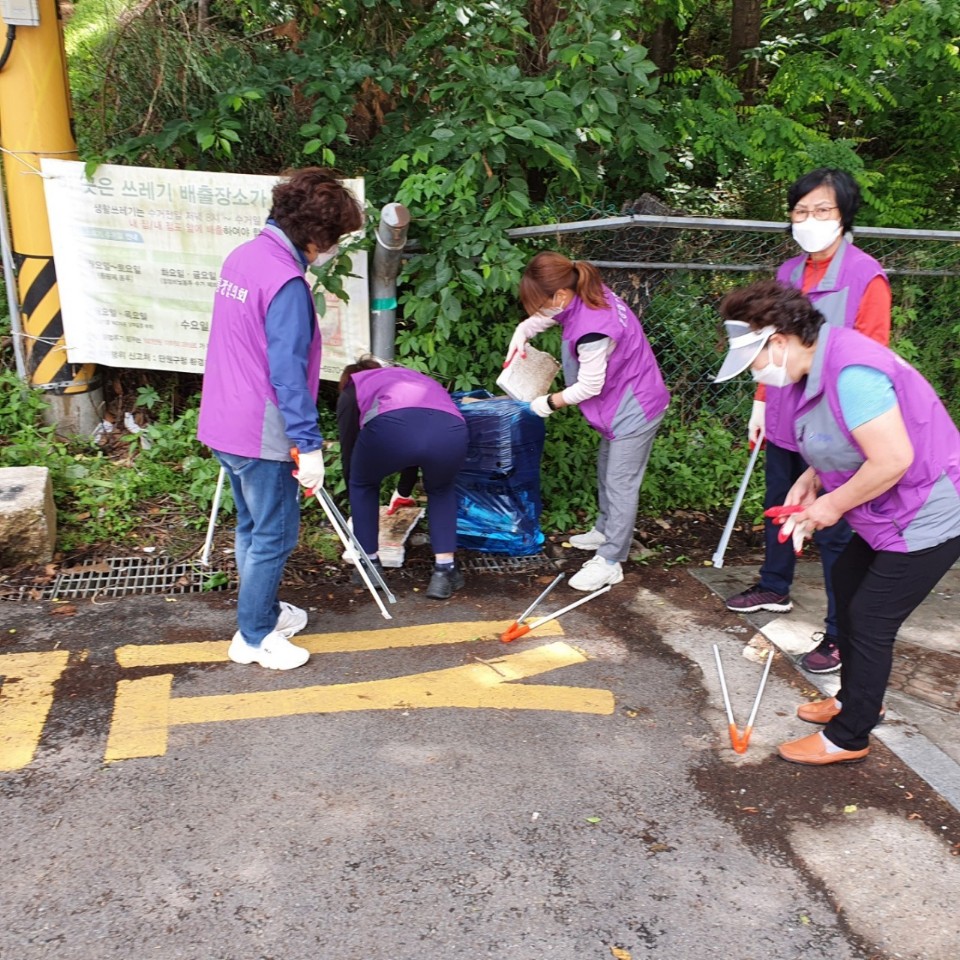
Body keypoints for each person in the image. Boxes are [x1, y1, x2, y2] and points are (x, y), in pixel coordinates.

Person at [715, 279, 960, 765]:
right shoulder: (816, 365)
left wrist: (828, 507)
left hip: (926, 511)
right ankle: (854, 700)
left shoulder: (852, 372)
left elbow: (891, 458)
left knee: (870, 619)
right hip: (885, 509)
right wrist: (813, 479)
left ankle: (850, 736)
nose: (755, 374)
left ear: (779, 341)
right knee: (846, 591)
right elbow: (846, 438)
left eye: (756, 362)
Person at [724, 168, 891, 676]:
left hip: (837, 421)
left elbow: (873, 356)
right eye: (801, 211)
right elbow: (763, 344)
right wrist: (759, 399)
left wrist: (850, 423)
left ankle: (841, 634)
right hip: (784, 412)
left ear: (844, 216)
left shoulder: (867, 275)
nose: (810, 220)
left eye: (823, 211)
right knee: (780, 502)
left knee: (835, 525)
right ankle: (774, 586)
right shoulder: (789, 270)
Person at [197, 168, 364, 670]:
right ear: (314, 236)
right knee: (274, 534)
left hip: (223, 418)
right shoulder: (288, 283)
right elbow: (287, 375)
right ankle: (252, 637)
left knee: (252, 525)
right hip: (260, 428)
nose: (333, 249)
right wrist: (308, 444)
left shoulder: (244, 257)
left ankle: (263, 611)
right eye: (334, 240)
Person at [504, 252, 670, 592]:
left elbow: (589, 385)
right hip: (621, 401)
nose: (538, 310)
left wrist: (546, 404)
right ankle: (605, 529)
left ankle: (611, 560)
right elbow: (552, 315)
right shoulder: (587, 290)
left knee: (621, 483)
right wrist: (522, 331)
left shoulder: (593, 329)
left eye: (540, 302)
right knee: (607, 469)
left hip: (635, 406)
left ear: (561, 295)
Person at [336, 358, 469, 599]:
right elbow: (417, 439)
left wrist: (354, 485)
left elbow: (349, 447)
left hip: (391, 429)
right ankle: (444, 570)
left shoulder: (354, 385)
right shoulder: (411, 377)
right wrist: (403, 492)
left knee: (363, 484)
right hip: (452, 429)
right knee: (441, 490)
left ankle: (369, 564)